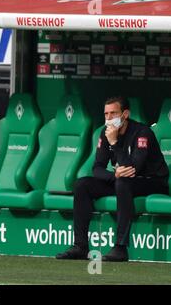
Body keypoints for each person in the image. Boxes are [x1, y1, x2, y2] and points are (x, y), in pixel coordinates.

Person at [56, 96, 169, 262]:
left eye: (113, 113)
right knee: (82, 185)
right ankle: (80, 246)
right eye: (106, 114)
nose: (109, 118)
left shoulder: (142, 132)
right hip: (124, 181)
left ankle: (120, 247)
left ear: (125, 114)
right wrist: (114, 175)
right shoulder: (105, 132)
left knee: (123, 182)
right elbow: (97, 168)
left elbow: (133, 169)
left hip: (152, 182)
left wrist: (115, 142)